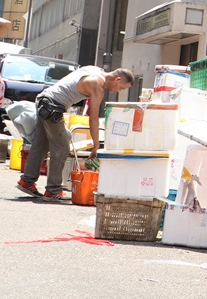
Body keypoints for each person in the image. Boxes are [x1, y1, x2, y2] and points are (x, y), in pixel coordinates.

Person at [15, 67, 134, 201]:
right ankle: (53, 190)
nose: (119, 91)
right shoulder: (97, 86)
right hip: (52, 106)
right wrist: (96, 144)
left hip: (44, 99)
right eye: (121, 88)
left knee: (42, 144)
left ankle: (27, 181)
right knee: (62, 147)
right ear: (117, 79)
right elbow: (93, 118)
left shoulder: (95, 69)